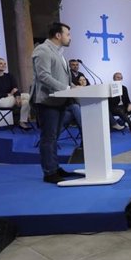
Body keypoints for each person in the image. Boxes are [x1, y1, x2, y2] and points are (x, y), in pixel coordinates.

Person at [31, 22, 83, 183]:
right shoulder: (43, 50)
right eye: (67, 34)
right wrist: (67, 88)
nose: (70, 37)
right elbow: (43, 76)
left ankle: (55, 167)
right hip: (47, 101)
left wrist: (75, 88)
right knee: (48, 137)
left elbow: (63, 78)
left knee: (54, 137)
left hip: (60, 101)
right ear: (58, 35)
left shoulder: (59, 52)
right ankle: (49, 172)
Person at [0, 57, 31, 130]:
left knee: (26, 100)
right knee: (26, 98)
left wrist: (17, 97)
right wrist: (8, 94)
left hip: (11, 98)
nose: (3, 65)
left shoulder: (9, 76)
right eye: (0, 63)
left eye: (5, 64)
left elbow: (15, 89)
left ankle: (22, 122)